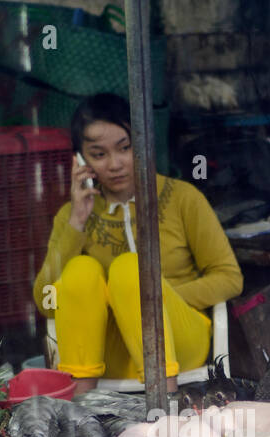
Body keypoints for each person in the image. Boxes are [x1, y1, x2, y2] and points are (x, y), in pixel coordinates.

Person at [33, 93, 242, 393]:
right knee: (80, 269)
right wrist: (77, 222)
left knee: (131, 270)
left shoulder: (183, 199)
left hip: (180, 342)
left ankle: (165, 403)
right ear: (80, 160)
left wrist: (156, 299)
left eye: (125, 148)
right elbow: (45, 299)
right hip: (110, 356)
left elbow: (229, 277)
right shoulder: (71, 217)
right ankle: (79, 408)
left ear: (143, 144)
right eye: (99, 154)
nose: (115, 164)